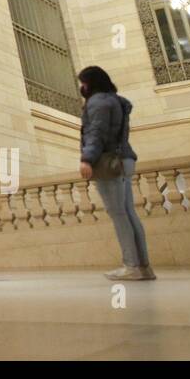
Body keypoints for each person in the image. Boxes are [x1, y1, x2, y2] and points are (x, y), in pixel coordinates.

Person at [78, 65, 155, 282]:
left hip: (109, 163)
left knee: (119, 215)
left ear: (91, 83)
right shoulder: (115, 101)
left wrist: (87, 158)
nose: (82, 87)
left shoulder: (98, 102)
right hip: (124, 160)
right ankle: (143, 266)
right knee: (129, 213)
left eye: (83, 83)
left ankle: (131, 265)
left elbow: (97, 132)